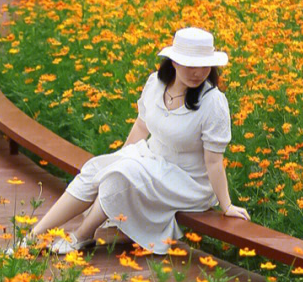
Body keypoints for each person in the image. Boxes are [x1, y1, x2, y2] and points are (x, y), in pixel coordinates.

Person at [14, 26, 250, 256]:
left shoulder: (213, 103)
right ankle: (33, 236)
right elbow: (141, 125)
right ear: (175, 62)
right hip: (152, 159)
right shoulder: (156, 84)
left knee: (123, 173)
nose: (198, 73)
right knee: (97, 168)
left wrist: (226, 205)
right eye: (190, 65)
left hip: (188, 181)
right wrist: (120, 158)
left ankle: (82, 235)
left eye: (204, 66)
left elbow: (213, 162)